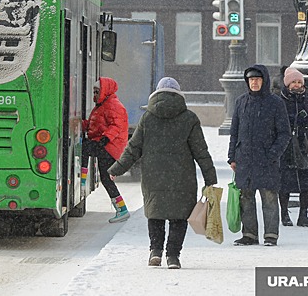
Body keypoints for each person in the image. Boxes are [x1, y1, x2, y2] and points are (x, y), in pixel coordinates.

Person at [108, 77, 217, 269]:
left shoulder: (147, 118)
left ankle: (155, 252)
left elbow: (133, 149)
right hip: (181, 177)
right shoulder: (189, 118)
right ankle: (173, 256)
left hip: (153, 176)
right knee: (179, 217)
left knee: (156, 214)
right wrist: (210, 178)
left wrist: (117, 169)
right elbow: (201, 152)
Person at [228, 64, 291, 247]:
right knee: (246, 198)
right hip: (244, 159)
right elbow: (235, 132)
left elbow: (284, 133)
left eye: (257, 79)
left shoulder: (276, 103)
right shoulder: (241, 102)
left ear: (264, 81)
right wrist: (232, 156)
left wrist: (272, 154)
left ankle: (271, 235)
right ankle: (249, 234)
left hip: (266, 161)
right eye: (251, 80)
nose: (254, 83)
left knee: (269, 197)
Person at [82, 77, 130, 223]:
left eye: (97, 91)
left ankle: (82, 182)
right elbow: (93, 125)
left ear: (105, 91)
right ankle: (121, 209)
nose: (94, 95)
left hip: (110, 147)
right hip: (105, 145)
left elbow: (117, 125)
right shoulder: (102, 106)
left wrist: (105, 138)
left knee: (86, 149)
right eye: (94, 91)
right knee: (105, 178)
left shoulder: (113, 105)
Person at [278, 67, 308, 227]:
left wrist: (305, 119)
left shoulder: (306, 100)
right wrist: (291, 120)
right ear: (287, 84)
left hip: (303, 146)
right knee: (285, 183)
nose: (296, 85)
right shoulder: (280, 100)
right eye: (293, 82)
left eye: (299, 82)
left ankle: (303, 215)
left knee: (306, 182)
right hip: (286, 146)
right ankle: (284, 214)